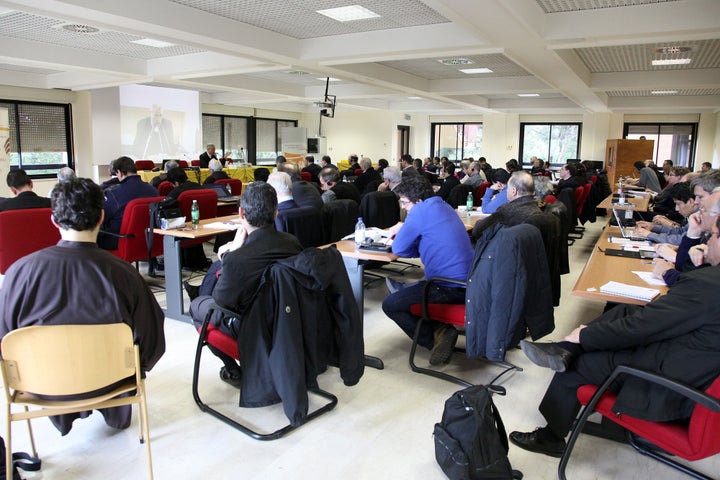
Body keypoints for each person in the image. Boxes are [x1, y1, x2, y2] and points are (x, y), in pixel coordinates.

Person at [509, 213, 720, 458]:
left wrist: (586, 335)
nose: (708, 241)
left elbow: (645, 326)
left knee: (580, 364)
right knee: (625, 309)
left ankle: (551, 437)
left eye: (713, 235)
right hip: (698, 364)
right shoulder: (709, 281)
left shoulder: (709, 284)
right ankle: (566, 348)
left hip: (675, 386)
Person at [0, 178, 165, 435]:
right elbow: (153, 343)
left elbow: (4, 342)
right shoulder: (125, 274)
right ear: (101, 217)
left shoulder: (19, 273)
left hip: (42, 383)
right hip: (112, 382)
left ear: (54, 220)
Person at [188, 182, 303, 387]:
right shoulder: (293, 242)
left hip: (253, 332)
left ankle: (235, 371)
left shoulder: (238, 259)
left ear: (241, 214)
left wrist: (230, 256)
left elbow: (221, 303)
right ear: (276, 213)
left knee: (199, 307)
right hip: (288, 323)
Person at [382, 177, 473, 365]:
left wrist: (402, 227)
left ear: (419, 200)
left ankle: (436, 336)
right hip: (470, 283)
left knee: (390, 304)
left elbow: (399, 249)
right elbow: (423, 246)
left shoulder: (420, 211)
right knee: (411, 288)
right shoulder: (444, 206)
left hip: (447, 286)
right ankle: (406, 291)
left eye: (405, 202)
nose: (404, 207)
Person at [98, 156, 159, 250]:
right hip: (149, 240)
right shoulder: (154, 190)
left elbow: (102, 218)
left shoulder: (113, 193)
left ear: (119, 172)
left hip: (121, 240)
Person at [632, 182, 696, 245]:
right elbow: (681, 231)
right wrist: (653, 227)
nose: (677, 209)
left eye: (678, 204)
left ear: (690, 202)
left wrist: (649, 234)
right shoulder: (694, 215)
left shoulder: (699, 217)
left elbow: (680, 240)